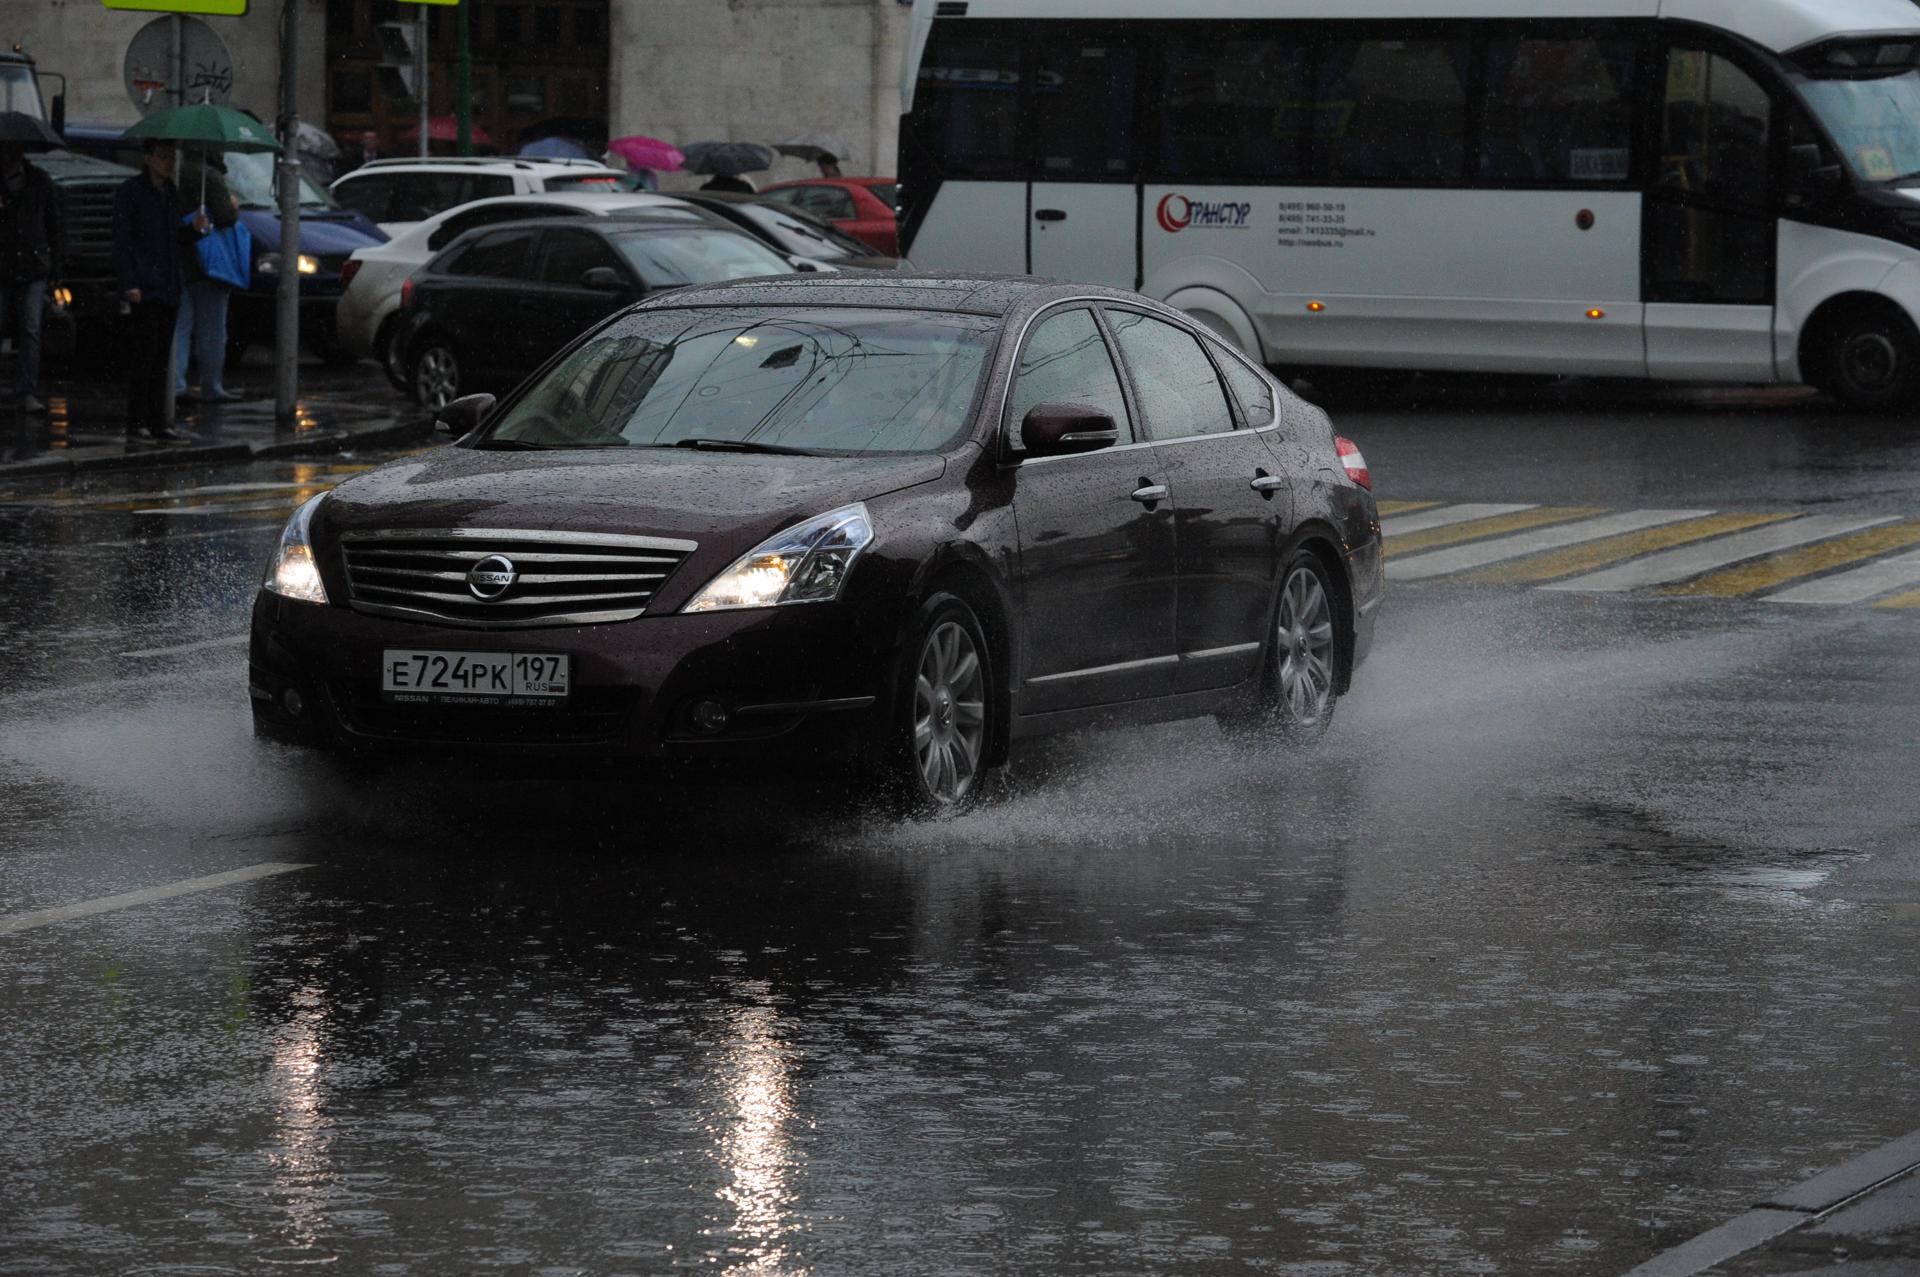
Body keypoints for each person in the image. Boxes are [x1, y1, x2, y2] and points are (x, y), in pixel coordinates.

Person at [113, 139, 208, 447]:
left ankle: (157, 422)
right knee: (144, 356)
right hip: (146, 285)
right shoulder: (132, 193)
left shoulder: (169, 193)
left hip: (167, 285)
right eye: (164, 157)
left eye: (172, 158)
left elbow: (173, 239)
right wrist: (130, 283)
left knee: (160, 359)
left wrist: (193, 229)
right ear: (149, 158)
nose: (170, 164)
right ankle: (137, 421)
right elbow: (124, 242)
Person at [173, 151, 242, 405]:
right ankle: (211, 386)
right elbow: (224, 217)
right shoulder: (209, 176)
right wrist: (233, 206)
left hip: (180, 259)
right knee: (212, 328)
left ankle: (176, 386)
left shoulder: (176, 171)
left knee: (181, 327)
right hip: (208, 263)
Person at [0, 140, 64, 414]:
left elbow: (54, 224)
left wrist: (56, 266)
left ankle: (27, 390)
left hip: (31, 264)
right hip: (9, 264)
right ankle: (23, 390)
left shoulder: (39, 181)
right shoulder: (36, 180)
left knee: (31, 329)